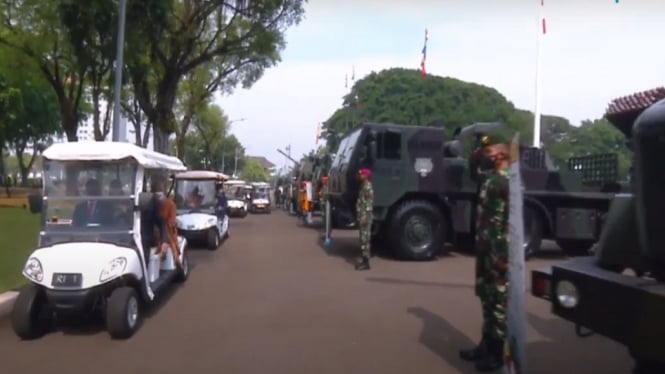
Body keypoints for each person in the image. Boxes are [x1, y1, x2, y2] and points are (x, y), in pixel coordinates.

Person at [459, 133, 511, 372]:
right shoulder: (490, 178)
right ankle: (484, 346)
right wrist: (474, 156)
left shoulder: (508, 182)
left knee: (498, 303)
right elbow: (472, 174)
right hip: (484, 250)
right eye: (485, 152)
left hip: (499, 254)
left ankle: (497, 355)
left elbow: (512, 223)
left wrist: (505, 257)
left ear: (505, 152)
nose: (487, 155)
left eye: (491, 151)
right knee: (486, 298)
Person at [355, 168, 374, 271]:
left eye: (362, 174)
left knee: (365, 239)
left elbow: (369, 203)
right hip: (362, 215)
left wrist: (364, 215)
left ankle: (366, 262)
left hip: (365, 216)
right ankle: (364, 260)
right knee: (363, 238)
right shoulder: (363, 186)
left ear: (366, 176)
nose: (360, 176)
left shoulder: (368, 187)